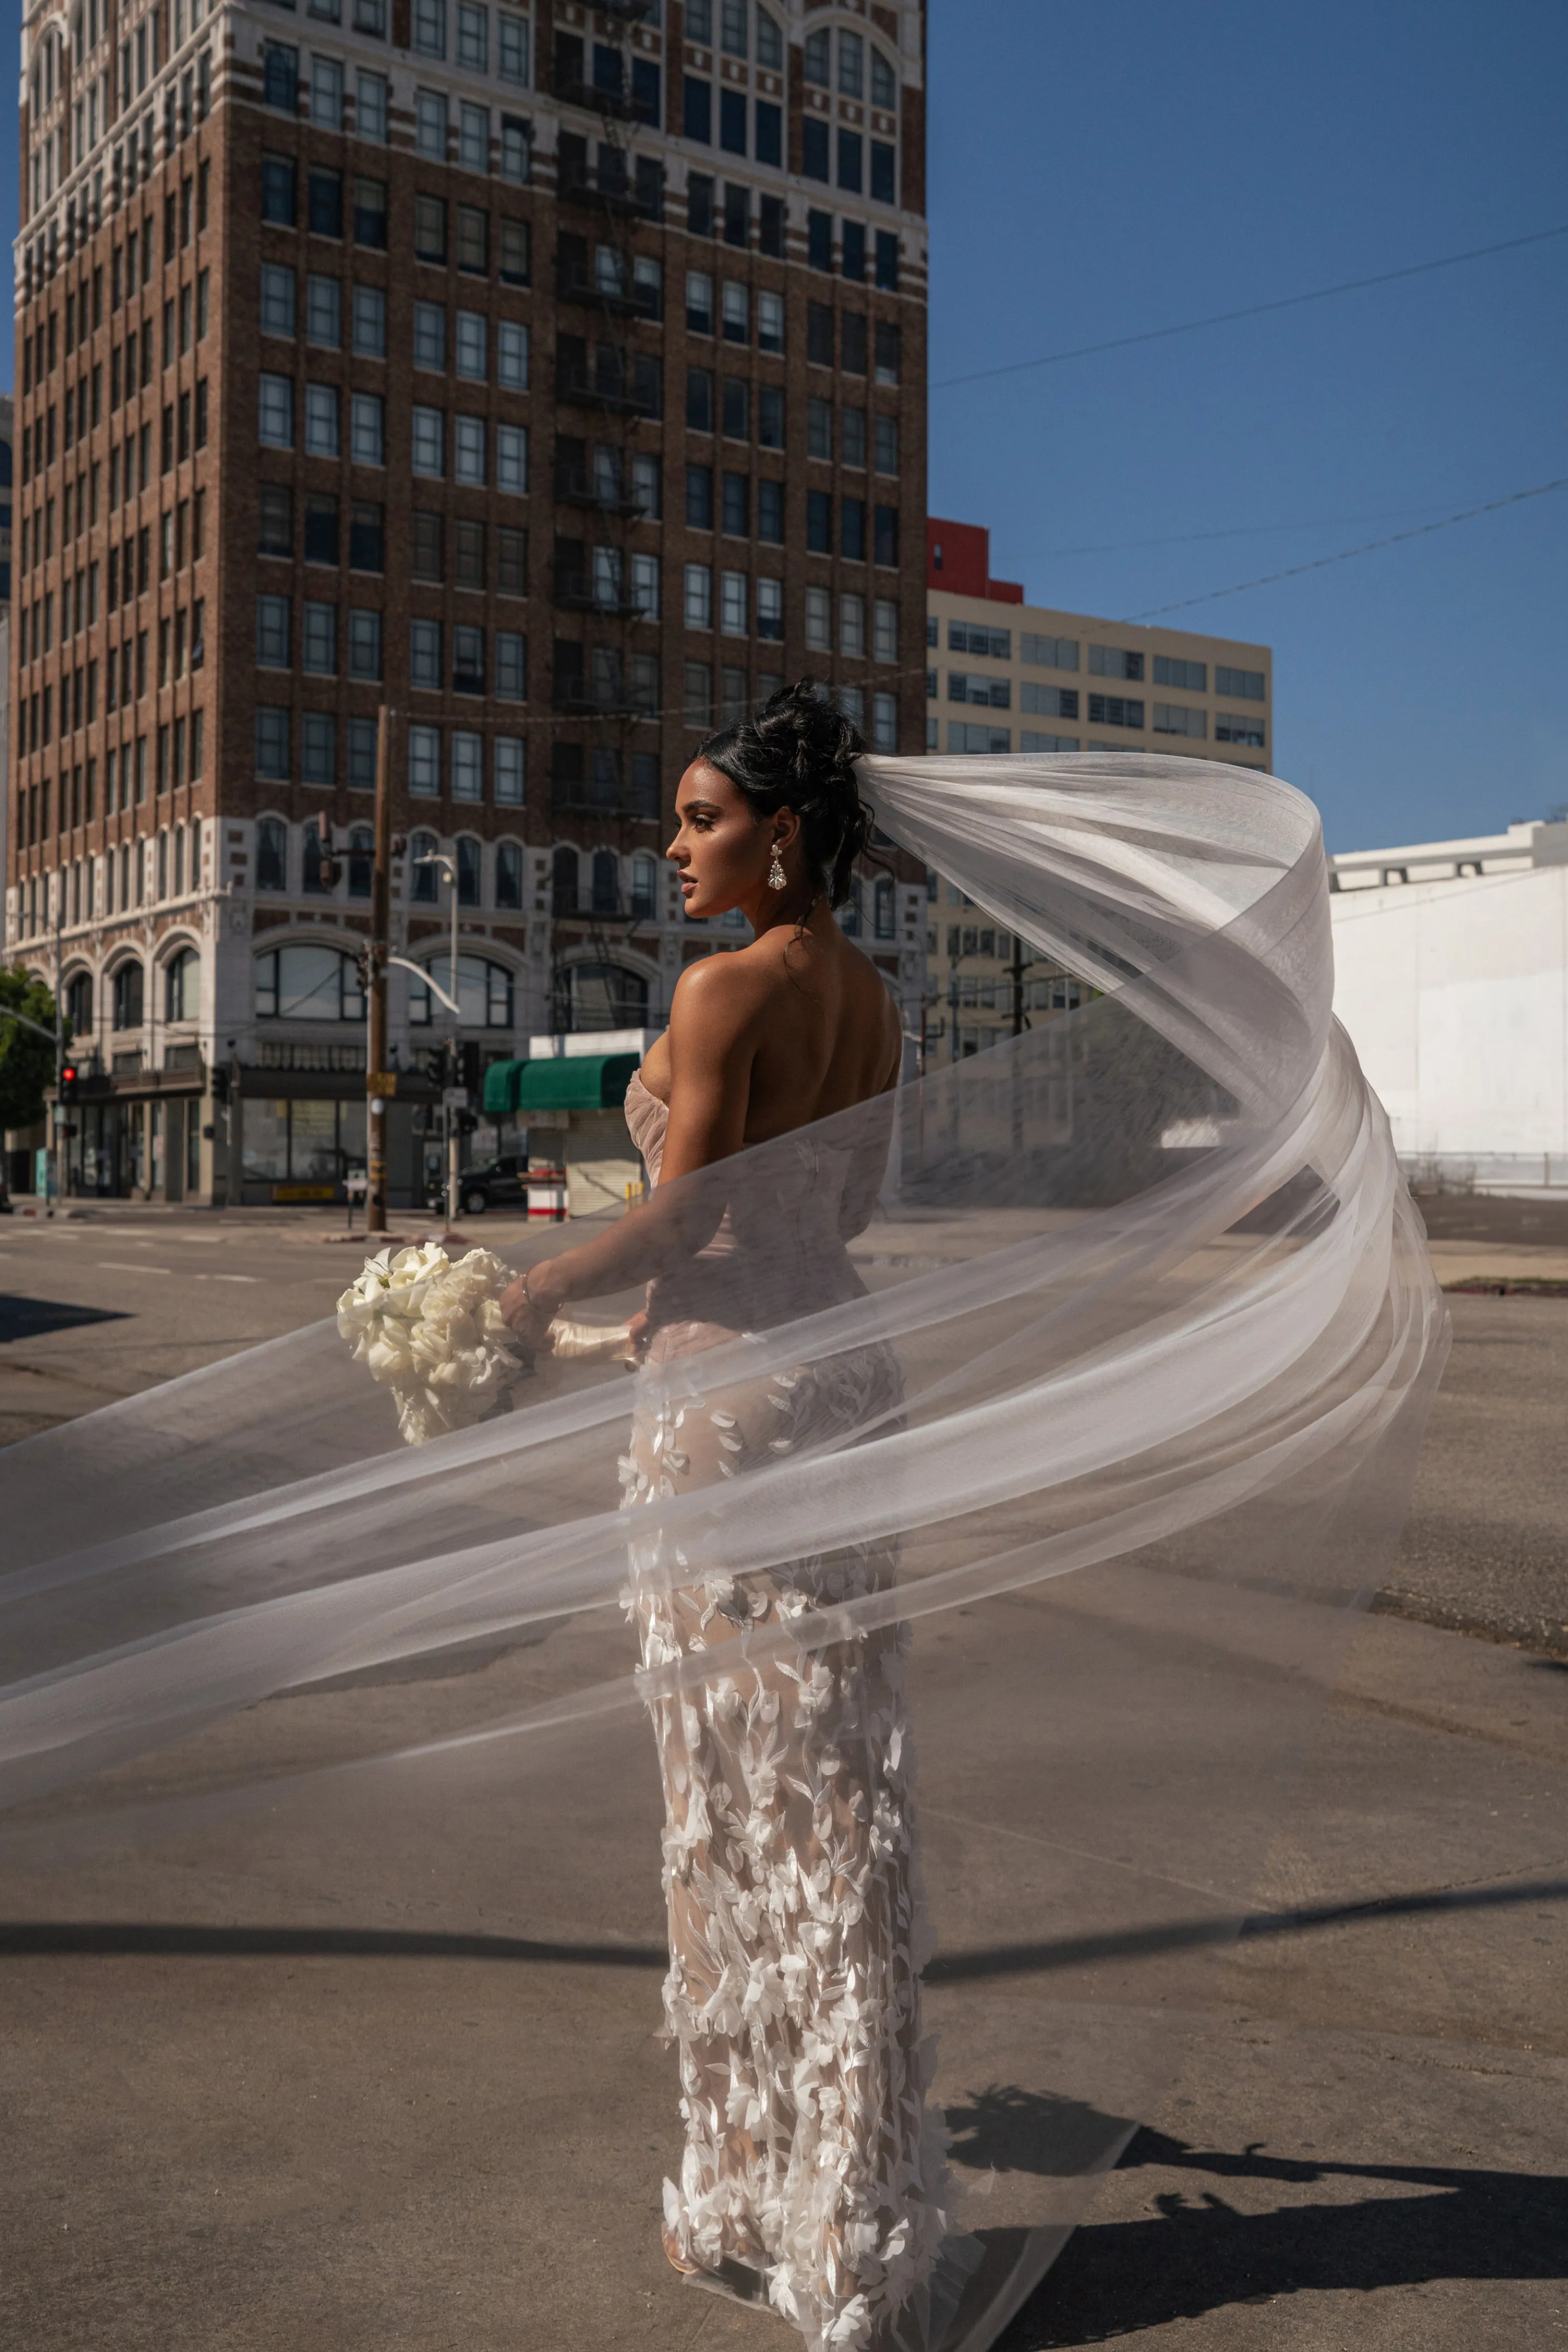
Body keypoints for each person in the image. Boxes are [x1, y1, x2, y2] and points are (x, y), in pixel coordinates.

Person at [501, 682, 948, 2349]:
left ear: (784, 829)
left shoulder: (720, 988)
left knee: (721, 1794)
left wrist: (531, 1290)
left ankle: (754, 2185)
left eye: (700, 817)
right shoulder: (876, 998)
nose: (673, 844)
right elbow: (849, 1204)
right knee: (843, 1784)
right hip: (845, 1372)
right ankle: (868, 2202)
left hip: (722, 1400)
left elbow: (678, 1214)